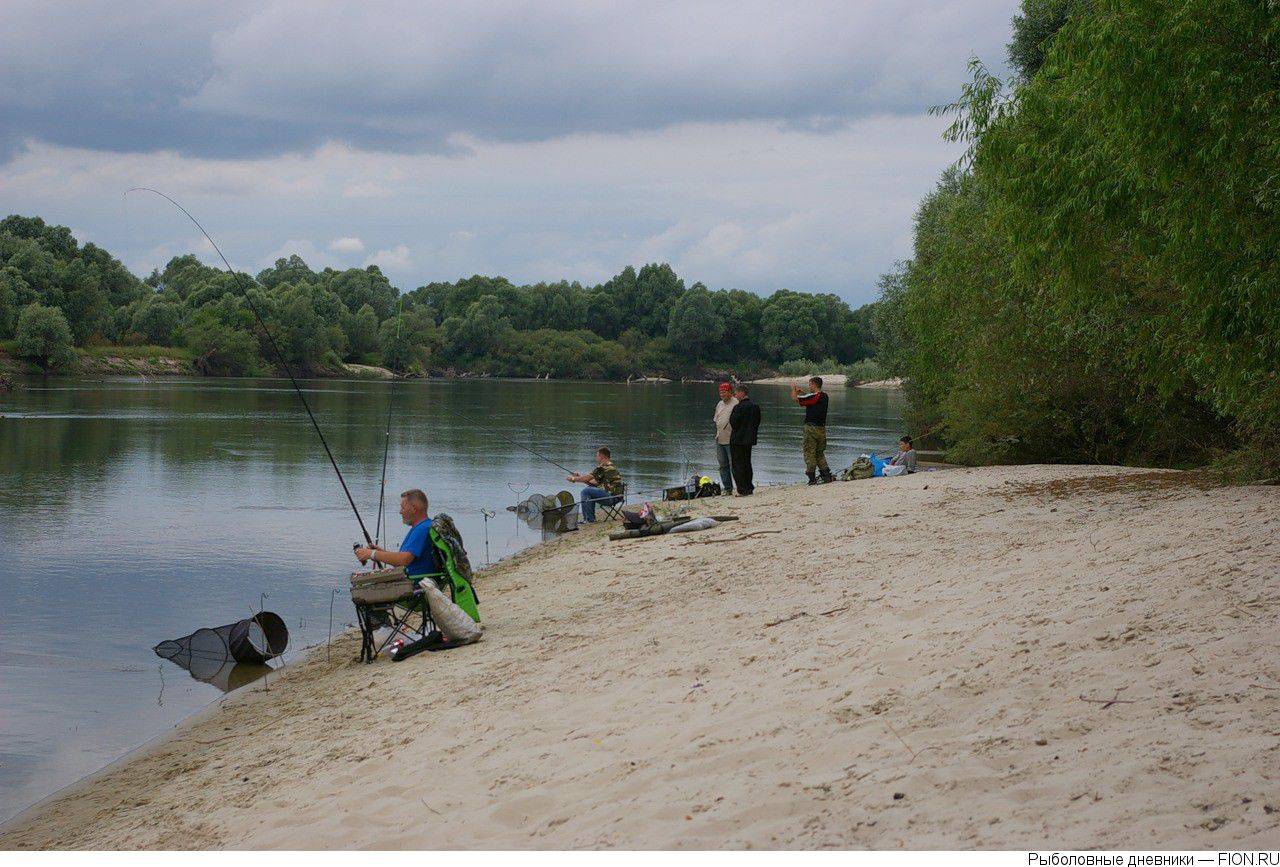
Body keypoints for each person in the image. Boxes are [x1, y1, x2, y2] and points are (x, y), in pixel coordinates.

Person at [355, 488, 436, 579]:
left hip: (413, 585)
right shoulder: (424, 526)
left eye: (403, 508)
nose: (400, 512)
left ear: (413, 509)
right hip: (409, 579)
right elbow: (401, 560)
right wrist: (379, 552)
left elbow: (403, 560)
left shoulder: (422, 529)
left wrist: (372, 554)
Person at [791, 376, 834, 485]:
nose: (809, 386)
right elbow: (810, 398)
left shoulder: (814, 397)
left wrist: (794, 390)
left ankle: (811, 478)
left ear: (814, 385)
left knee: (809, 453)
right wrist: (803, 392)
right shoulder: (824, 396)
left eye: (810, 384)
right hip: (821, 429)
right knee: (820, 453)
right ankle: (826, 476)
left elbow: (796, 399)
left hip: (811, 428)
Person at [567, 446, 624, 522]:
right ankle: (590, 519)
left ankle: (587, 519)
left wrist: (573, 479)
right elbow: (592, 483)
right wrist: (579, 477)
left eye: (597, 455)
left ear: (602, 456)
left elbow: (587, 478)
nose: (596, 457)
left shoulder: (606, 468)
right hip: (614, 497)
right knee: (589, 491)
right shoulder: (606, 467)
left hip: (612, 498)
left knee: (586, 491)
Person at [728, 384, 761, 496]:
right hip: (749, 440)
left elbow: (733, 423)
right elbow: (757, 422)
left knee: (737, 464)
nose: (735, 395)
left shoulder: (738, 407)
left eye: (736, 393)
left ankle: (742, 489)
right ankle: (749, 487)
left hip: (737, 440)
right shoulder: (755, 407)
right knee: (747, 463)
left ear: (742, 393)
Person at [713, 381, 738, 495]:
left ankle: (739, 487)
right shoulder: (719, 404)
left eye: (724, 392)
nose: (722, 394)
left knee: (735, 465)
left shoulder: (736, 403)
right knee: (722, 465)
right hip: (720, 438)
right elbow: (716, 420)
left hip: (731, 439)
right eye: (720, 392)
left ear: (730, 392)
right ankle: (727, 488)